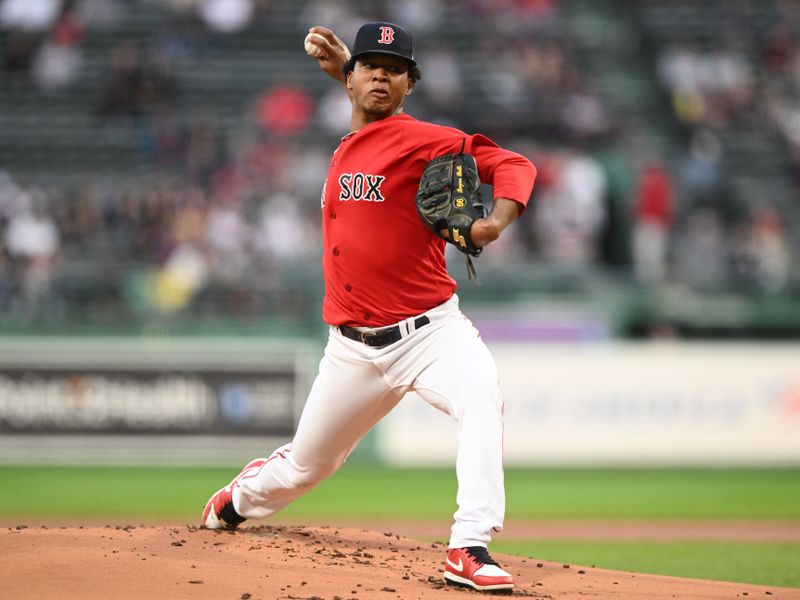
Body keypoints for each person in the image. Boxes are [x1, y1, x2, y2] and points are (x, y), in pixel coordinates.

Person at [202, 21, 536, 594]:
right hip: (351, 350)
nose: (382, 73)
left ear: (411, 84)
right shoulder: (353, 135)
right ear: (350, 78)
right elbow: (365, 111)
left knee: (482, 396)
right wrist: (346, 74)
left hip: (431, 334)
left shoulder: (423, 140)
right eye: (370, 65)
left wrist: (493, 223)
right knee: (307, 468)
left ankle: (469, 544)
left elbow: (514, 165)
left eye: (396, 68)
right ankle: (237, 500)